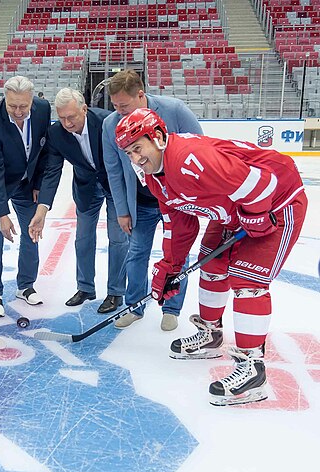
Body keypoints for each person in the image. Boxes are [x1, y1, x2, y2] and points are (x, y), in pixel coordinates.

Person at [115, 108, 307, 406]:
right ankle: (211, 335)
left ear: (158, 137)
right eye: (129, 153)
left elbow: (260, 184)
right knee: (211, 263)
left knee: (247, 280)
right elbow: (179, 224)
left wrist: (255, 217)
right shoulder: (155, 178)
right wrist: (170, 268)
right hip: (235, 210)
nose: (136, 159)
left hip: (276, 203)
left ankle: (253, 370)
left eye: (138, 148)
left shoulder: (190, 160)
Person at [102, 69, 203, 331]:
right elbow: (113, 170)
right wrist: (122, 210)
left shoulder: (175, 110)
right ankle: (134, 306)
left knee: (177, 255)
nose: (119, 112)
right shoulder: (110, 124)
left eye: (124, 105)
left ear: (141, 95)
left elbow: (201, 149)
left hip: (176, 201)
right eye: (114, 106)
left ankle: (172, 308)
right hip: (142, 202)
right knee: (136, 254)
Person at [29, 88, 128, 314]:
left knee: (118, 239)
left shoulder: (106, 122)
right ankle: (85, 288)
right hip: (86, 189)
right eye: (61, 117)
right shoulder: (56, 134)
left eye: (71, 117)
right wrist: (43, 208)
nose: (66, 122)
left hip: (115, 186)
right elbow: (52, 172)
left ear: (84, 109)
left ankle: (115, 292)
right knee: (83, 238)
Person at [0, 75, 50, 318]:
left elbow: (43, 151)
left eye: (23, 106)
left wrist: (38, 183)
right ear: (4, 99)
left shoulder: (42, 110)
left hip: (27, 183)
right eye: (12, 106)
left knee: (32, 232)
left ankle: (26, 285)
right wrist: (2, 213)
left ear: (32, 100)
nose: (18, 111)